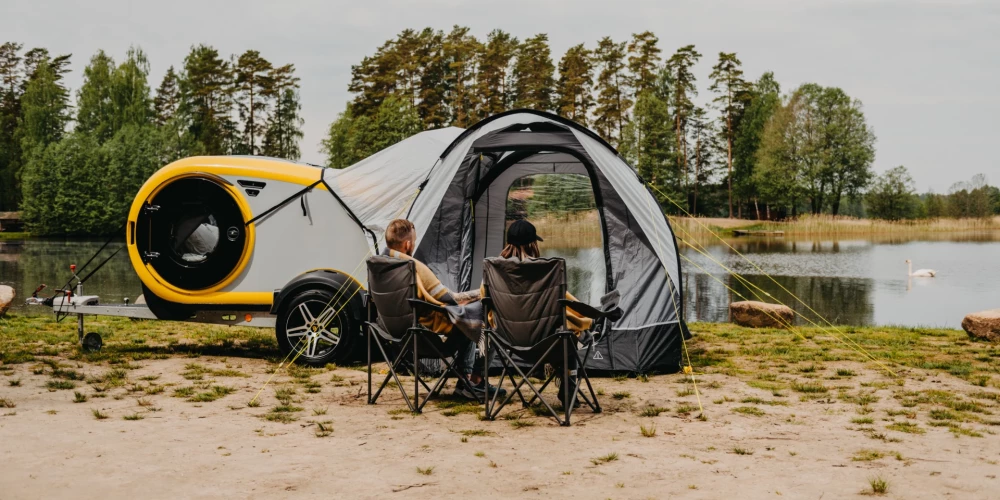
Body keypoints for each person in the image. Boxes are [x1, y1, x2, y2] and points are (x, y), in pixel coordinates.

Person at [382, 219, 498, 401]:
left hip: (391, 334)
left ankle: (465, 381)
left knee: (464, 318)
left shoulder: (380, 266)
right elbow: (449, 298)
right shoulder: (415, 267)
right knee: (473, 322)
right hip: (422, 337)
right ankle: (469, 381)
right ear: (408, 244)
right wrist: (483, 293)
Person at [482, 219, 593, 408]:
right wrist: (592, 318)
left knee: (564, 333)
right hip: (546, 343)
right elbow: (569, 304)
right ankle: (569, 388)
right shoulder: (546, 270)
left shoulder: (494, 269)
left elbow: (486, 303)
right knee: (574, 335)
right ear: (533, 244)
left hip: (508, 341)